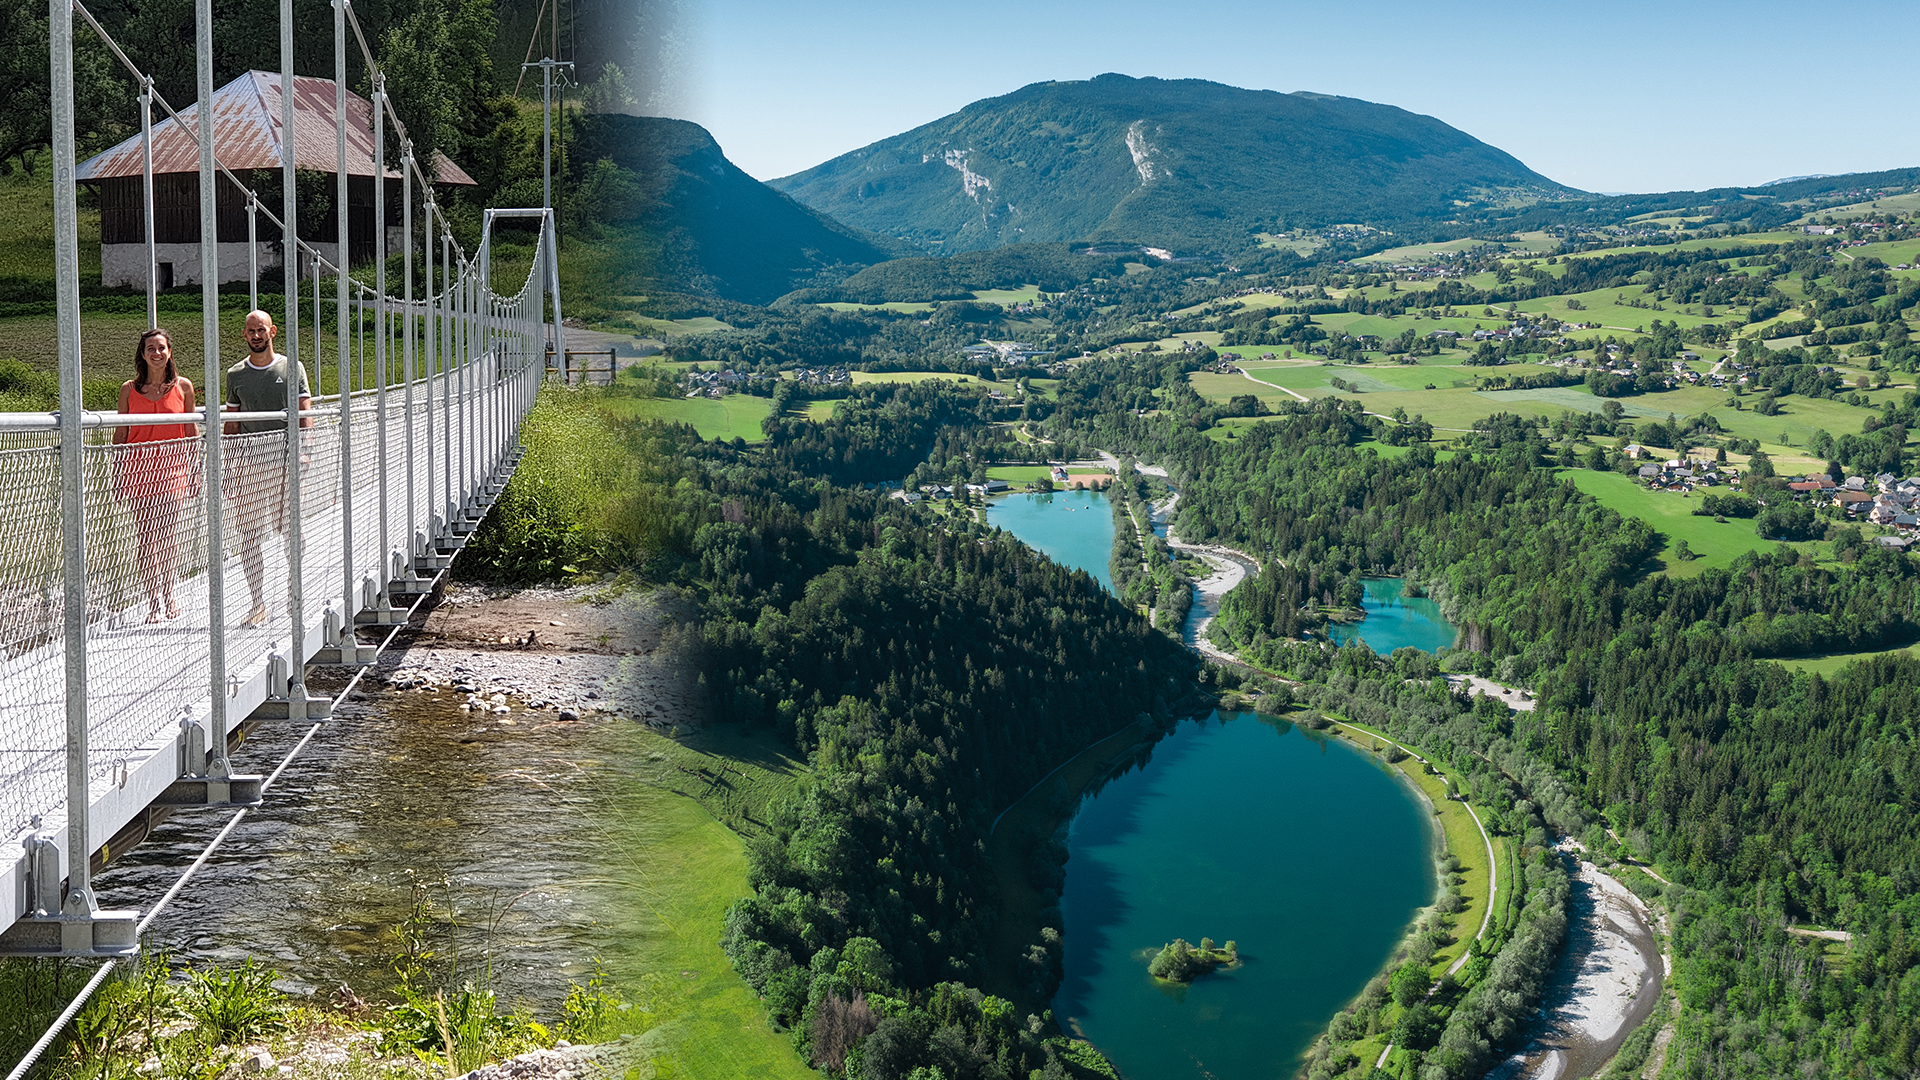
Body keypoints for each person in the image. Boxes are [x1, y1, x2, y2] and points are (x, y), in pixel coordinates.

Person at [224, 310, 312, 627]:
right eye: (251, 331)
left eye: (261, 329)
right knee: (248, 535)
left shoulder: (292, 368)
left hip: (285, 462)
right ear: (245, 335)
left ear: (272, 331)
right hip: (248, 464)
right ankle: (257, 604)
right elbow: (231, 425)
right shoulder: (235, 375)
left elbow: (305, 415)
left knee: (292, 532)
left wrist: (304, 452)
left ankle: (294, 596)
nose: (256, 336)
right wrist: (227, 466)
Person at [114, 328, 197, 623]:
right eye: (151, 348)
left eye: (161, 348)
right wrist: (117, 475)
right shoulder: (129, 389)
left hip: (173, 470)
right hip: (139, 471)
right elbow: (121, 434)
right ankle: (152, 602)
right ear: (143, 354)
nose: (157, 353)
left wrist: (195, 471)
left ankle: (169, 594)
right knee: (147, 538)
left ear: (169, 352)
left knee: (168, 537)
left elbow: (191, 433)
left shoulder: (183, 387)